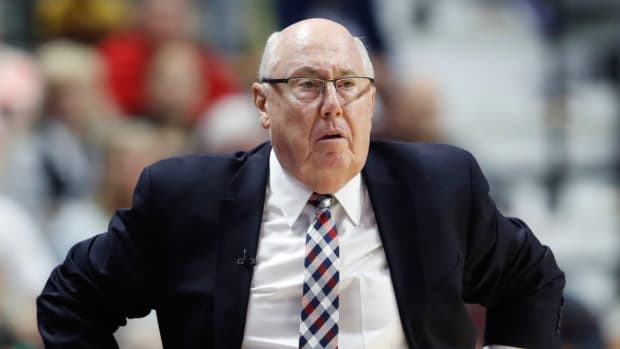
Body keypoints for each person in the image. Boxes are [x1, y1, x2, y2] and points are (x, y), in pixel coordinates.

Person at [37, 18, 565, 349]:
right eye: (309, 85)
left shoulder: (437, 186)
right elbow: (70, 299)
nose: (334, 105)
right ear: (263, 104)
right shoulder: (185, 199)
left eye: (349, 86)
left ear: (372, 100)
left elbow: (532, 279)